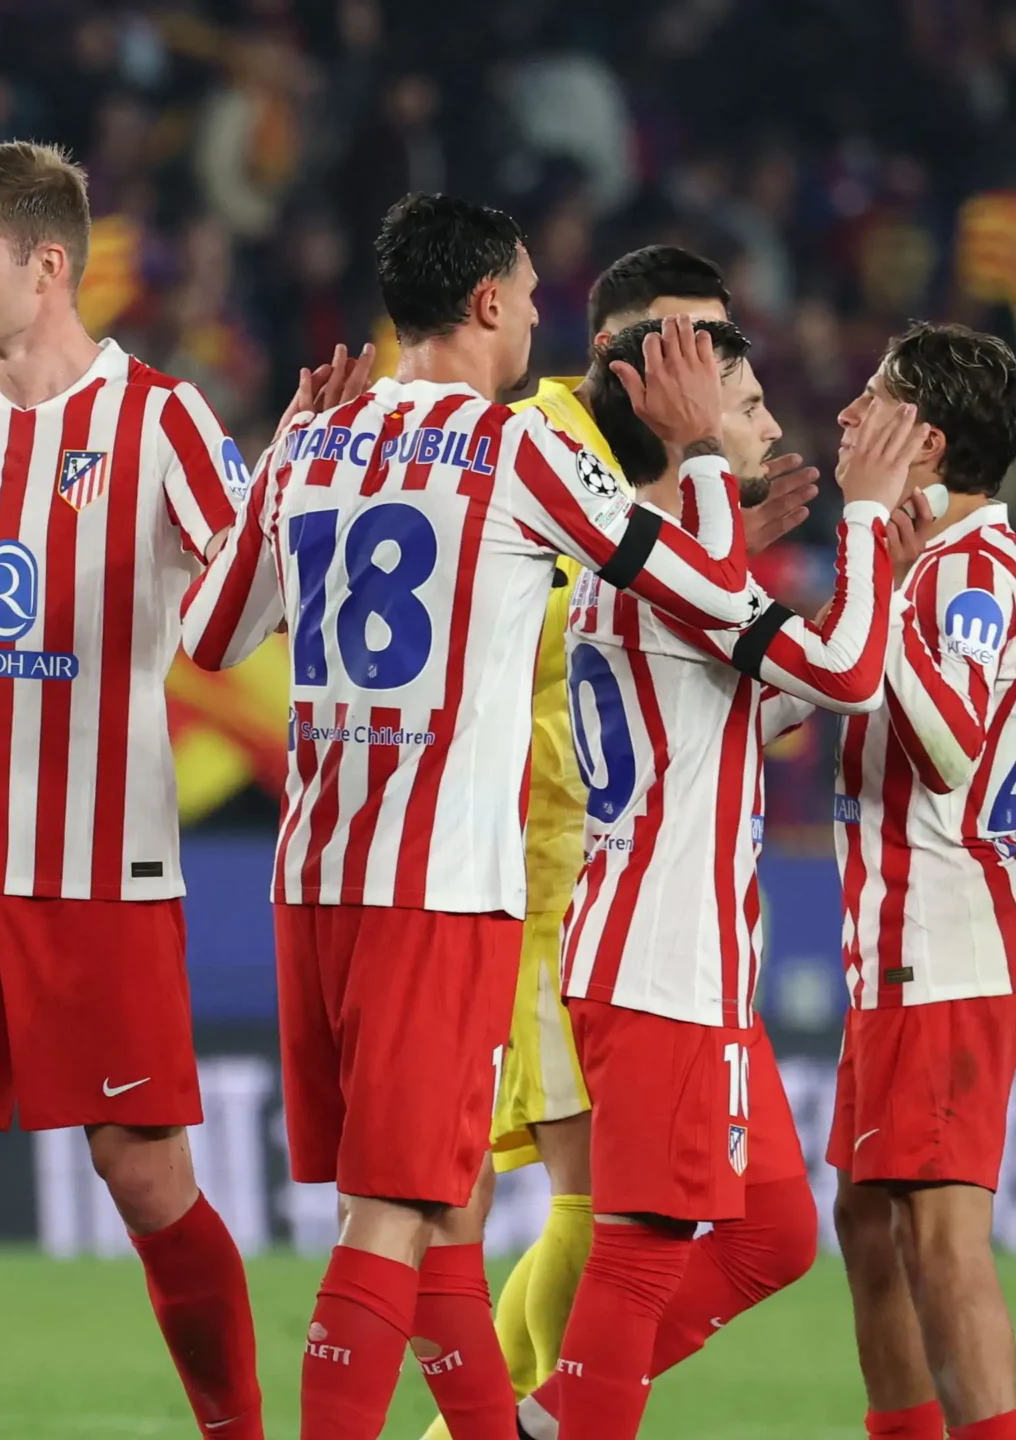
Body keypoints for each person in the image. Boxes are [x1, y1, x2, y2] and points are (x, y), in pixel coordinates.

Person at [179, 195, 775, 1440]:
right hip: (439, 888)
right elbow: (712, 600)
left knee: (441, 1209)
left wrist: (285, 447)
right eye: (532, 295)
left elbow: (205, 635)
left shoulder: (309, 445)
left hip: (314, 875)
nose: (540, 318)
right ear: (491, 302)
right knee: (390, 1218)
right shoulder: (519, 449)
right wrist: (706, 456)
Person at [0, 139, 264, 1440]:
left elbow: (246, 620)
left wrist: (281, 505)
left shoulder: (162, 422)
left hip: (100, 877)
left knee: (145, 1180)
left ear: (48, 265)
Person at [420, 245, 818, 1440]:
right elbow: (518, 617)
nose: (709, 375)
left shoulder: (668, 491)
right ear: (619, 351)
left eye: (722, 350)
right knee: (604, 1223)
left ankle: (524, 1422)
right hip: (559, 870)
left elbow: (699, 671)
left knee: (727, 1230)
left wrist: (711, 547)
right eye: (688, 347)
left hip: (672, 895)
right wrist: (690, 565)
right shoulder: (539, 439)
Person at [511, 317, 914, 1440]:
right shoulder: (660, 554)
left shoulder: (639, 560)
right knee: (638, 1262)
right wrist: (870, 517)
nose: (773, 425)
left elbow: (752, 711)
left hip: (679, 959)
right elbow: (840, 676)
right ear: (680, 421)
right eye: (744, 404)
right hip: (661, 961)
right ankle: (564, 1420)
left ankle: (552, 1415)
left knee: (773, 1234)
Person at [824, 323, 1016, 1440]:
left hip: (941, 942)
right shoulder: (927, 564)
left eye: (872, 401)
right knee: (863, 1219)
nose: (847, 416)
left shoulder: (971, 572)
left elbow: (948, 747)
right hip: (890, 944)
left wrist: (885, 591)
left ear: (926, 443)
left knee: (941, 1238)